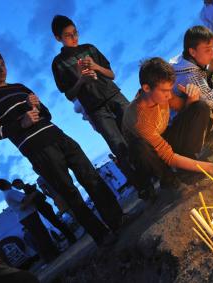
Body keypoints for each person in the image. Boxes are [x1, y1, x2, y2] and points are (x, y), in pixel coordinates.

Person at [0, 48, 123, 247]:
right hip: (37, 149)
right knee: (70, 192)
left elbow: (47, 114)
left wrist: (36, 105)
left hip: (58, 135)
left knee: (91, 176)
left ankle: (117, 220)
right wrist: (20, 124)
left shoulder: (20, 86)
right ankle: (101, 235)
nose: (2, 69)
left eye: (3, 64)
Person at [50, 15, 149, 199]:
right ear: (58, 38)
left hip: (114, 95)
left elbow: (111, 74)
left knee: (139, 132)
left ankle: (157, 170)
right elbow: (69, 95)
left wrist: (95, 66)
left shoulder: (89, 48)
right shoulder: (58, 63)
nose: (74, 38)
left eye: (75, 33)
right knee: (119, 146)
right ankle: (143, 186)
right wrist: (81, 80)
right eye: (68, 35)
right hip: (95, 108)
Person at [122, 57, 213, 190]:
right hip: (147, 154)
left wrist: (191, 98)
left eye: (169, 89)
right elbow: (169, 157)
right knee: (140, 148)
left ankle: (187, 167)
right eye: (164, 91)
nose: (168, 95)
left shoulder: (163, 93)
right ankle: (169, 180)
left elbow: (185, 110)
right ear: (147, 88)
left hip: (163, 134)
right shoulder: (140, 119)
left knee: (199, 107)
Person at [0, 178, 59, 263]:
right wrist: (34, 193)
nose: (9, 181)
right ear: (5, 184)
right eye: (6, 181)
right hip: (28, 216)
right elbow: (25, 200)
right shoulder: (11, 192)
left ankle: (48, 257)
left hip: (26, 217)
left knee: (39, 237)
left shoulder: (7, 194)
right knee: (42, 235)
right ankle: (53, 254)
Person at [11, 179, 77, 244]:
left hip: (43, 207)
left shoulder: (28, 189)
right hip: (44, 207)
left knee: (57, 223)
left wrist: (31, 200)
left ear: (20, 183)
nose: (17, 188)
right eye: (16, 187)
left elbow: (41, 197)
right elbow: (42, 196)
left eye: (17, 186)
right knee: (57, 223)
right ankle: (71, 237)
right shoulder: (28, 188)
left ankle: (71, 238)